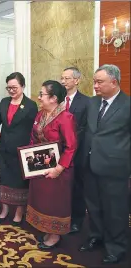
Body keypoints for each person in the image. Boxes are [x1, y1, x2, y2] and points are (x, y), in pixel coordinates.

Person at [79, 65, 130, 264]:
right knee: (94, 206)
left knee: (115, 209)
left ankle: (116, 246)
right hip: (90, 164)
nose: (95, 86)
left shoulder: (127, 105)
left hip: (115, 168)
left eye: (99, 82)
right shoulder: (92, 104)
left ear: (114, 82)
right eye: (94, 81)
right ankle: (96, 236)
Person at [26, 80, 77, 249]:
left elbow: (71, 147)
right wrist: (30, 160)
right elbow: (33, 138)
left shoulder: (66, 117)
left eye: (42, 94)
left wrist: (59, 168)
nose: (39, 97)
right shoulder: (40, 115)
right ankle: (47, 230)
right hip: (41, 166)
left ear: (54, 98)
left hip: (58, 171)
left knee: (55, 202)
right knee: (43, 200)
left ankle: (55, 235)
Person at [0, 72, 38, 226]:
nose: (11, 90)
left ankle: (19, 212)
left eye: (14, 87)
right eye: (9, 88)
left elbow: (34, 129)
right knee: (4, 179)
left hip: (22, 149)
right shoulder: (4, 102)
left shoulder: (31, 105)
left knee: (20, 181)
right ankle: (5, 209)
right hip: (4, 148)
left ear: (23, 86)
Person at [60, 67, 90, 234]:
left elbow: (84, 128)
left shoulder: (86, 102)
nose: (63, 81)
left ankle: (77, 220)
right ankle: (61, 216)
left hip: (77, 152)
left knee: (77, 186)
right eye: (62, 78)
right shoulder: (58, 100)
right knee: (62, 187)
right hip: (59, 151)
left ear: (76, 80)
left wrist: (69, 140)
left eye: (67, 78)